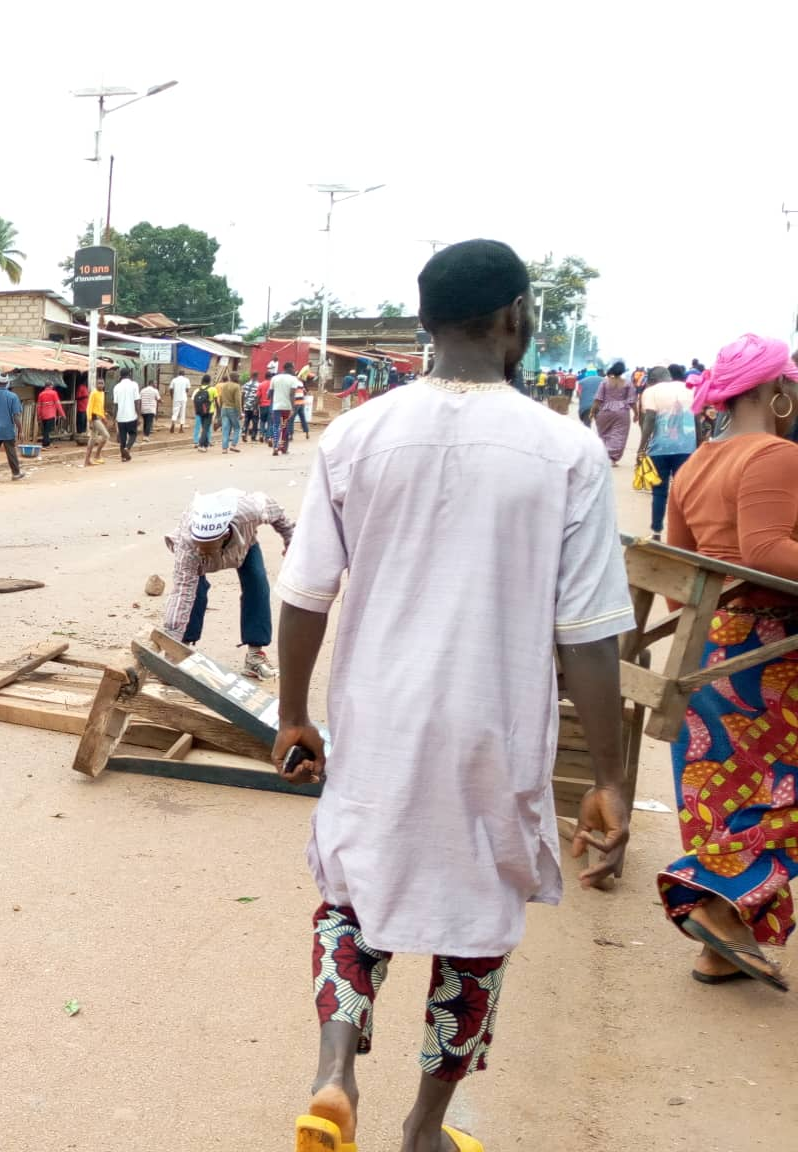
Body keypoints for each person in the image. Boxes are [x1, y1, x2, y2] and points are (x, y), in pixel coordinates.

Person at [273, 240, 633, 1152]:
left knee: (353, 898)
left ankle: (333, 1073)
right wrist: (612, 776)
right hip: (494, 735)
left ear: (427, 321)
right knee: (473, 932)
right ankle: (425, 1130)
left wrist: (293, 713)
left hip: (377, 727)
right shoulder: (565, 451)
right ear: (514, 315)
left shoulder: (355, 436)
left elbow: (305, 592)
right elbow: (589, 633)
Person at [652, 333, 798, 991]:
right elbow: (767, 550)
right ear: (779, 395)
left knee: (725, 795)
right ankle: (717, 906)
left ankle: (721, 941)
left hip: (712, 646)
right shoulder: (775, 455)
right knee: (777, 794)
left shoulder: (695, 465)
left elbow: (677, 576)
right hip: (766, 660)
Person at [163, 488, 290, 678]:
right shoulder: (188, 545)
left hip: (243, 545)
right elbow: (181, 595)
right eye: (201, 546)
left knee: (257, 585)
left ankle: (255, 656)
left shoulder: (250, 510)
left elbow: (277, 512)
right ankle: (182, 651)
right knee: (193, 591)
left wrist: (290, 539)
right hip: (193, 555)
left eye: (208, 547)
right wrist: (171, 646)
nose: (203, 551)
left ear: (223, 536)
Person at [639, 364, 699, 533]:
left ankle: (656, 530)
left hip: (659, 448)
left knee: (659, 492)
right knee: (685, 492)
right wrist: (700, 446)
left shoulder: (651, 391)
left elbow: (649, 419)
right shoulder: (690, 389)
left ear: (652, 380)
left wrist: (641, 447)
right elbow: (697, 419)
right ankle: (684, 533)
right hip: (687, 448)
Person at [593, 360, 635, 464]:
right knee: (619, 434)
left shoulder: (604, 382)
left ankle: (602, 456)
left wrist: (592, 411)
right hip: (622, 411)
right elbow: (632, 400)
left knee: (603, 433)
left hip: (605, 410)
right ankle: (612, 458)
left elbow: (598, 399)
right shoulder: (627, 383)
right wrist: (637, 413)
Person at [110, 367, 142, 462]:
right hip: (131, 415)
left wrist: (113, 418)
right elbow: (137, 401)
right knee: (133, 434)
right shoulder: (134, 385)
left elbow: (115, 405)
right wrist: (139, 415)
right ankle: (127, 449)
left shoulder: (116, 387)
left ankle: (123, 456)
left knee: (122, 437)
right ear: (130, 374)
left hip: (120, 417)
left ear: (120, 375)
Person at [270, 360, 299, 454]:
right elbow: (292, 394)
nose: (294, 370)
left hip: (276, 406)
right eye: (293, 368)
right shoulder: (293, 379)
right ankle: (283, 448)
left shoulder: (274, 378)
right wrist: (293, 407)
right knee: (284, 427)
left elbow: (270, 393)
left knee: (276, 426)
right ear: (290, 368)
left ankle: (275, 447)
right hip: (287, 407)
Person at [84, 377, 110, 465]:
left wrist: (104, 418)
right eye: (99, 383)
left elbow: (100, 408)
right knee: (106, 436)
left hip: (99, 417)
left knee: (92, 439)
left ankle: (87, 460)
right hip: (94, 418)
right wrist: (89, 421)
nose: (100, 385)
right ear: (96, 384)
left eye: (102, 383)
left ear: (104, 384)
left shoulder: (102, 393)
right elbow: (89, 407)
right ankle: (97, 455)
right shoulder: (93, 393)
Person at [218, 374, 244, 452]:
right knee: (237, 428)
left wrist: (221, 408)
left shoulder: (224, 385)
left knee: (225, 429)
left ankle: (224, 448)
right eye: (238, 377)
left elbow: (221, 398)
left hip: (224, 408)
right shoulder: (236, 386)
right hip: (233, 409)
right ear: (236, 378)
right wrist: (240, 413)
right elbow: (238, 401)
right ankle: (233, 445)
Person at [191, 374, 215, 451]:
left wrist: (196, 410)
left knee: (198, 426)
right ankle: (205, 442)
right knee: (207, 428)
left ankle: (196, 441)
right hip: (209, 411)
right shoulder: (212, 389)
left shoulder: (197, 390)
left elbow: (193, 400)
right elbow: (216, 401)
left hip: (198, 411)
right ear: (209, 381)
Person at [36, 379, 62, 447]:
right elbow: (58, 404)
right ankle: (46, 443)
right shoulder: (54, 393)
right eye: (52, 385)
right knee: (47, 430)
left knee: (45, 429)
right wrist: (62, 414)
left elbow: (38, 406)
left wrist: (38, 415)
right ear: (50, 386)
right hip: (51, 414)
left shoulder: (41, 394)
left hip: (43, 415)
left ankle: (46, 442)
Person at [242, 372, 262, 448]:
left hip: (246, 405)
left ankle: (244, 433)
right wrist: (256, 407)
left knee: (246, 421)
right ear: (257, 376)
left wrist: (243, 405)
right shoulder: (258, 385)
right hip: (254, 406)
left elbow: (243, 395)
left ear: (251, 376)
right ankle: (253, 437)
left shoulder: (246, 384)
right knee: (255, 422)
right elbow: (258, 397)